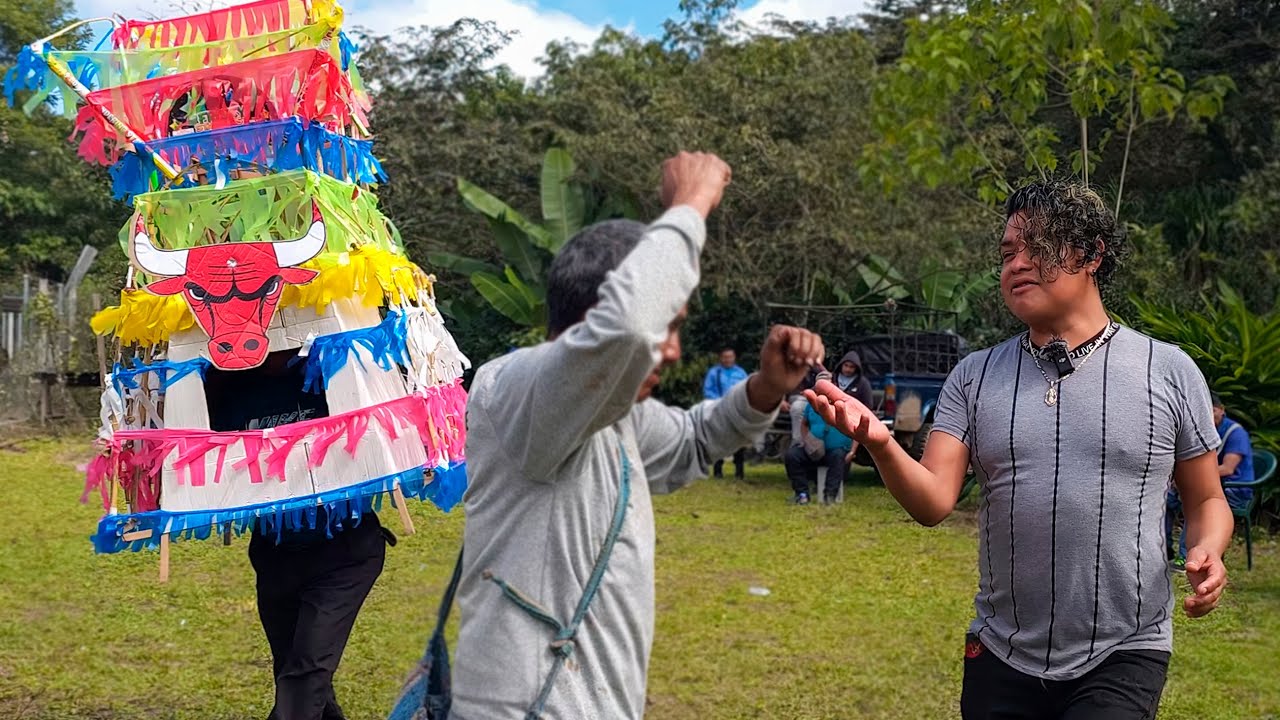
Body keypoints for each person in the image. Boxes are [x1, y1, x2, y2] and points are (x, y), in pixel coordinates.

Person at [806, 179, 1233, 720]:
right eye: (1008, 252)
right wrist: (880, 441)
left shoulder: (1167, 371)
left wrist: (1209, 550)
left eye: (1038, 247)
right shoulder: (974, 376)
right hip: (1001, 651)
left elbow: (1205, 501)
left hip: (1126, 648)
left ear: (1091, 254)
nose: (1016, 264)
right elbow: (934, 501)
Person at [451, 152, 823, 719]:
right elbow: (628, 329)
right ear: (591, 321)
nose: (670, 350)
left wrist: (766, 388)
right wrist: (690, 206)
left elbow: (694, 441)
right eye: (667, 326)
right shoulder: (515, 390)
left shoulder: (618, 416)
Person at [205, 351, 391, 720]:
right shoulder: (228, 389)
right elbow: (193, 449)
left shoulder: (332, 375)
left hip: (345, 550)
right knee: (292, 666)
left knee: (306, 671)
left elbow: (384, 415)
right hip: (275, 554)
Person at [1166, 392, 1254, 563]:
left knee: (1196, 503)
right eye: (1205, 411)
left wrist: (1189, 480)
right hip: (1213, 484)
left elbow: (1228, 469)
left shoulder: (1236, 433)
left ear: (1222, 410)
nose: (1209, 415)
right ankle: (1165, 551)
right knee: (1166, 499)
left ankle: (1186, 558)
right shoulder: (1199, 431)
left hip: (1235, 489)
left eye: (1213, 410)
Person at [785, 371, 854, 505]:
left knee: (837, 456)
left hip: (836, 451)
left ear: (833, 385)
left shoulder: (842, 403)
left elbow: (855, 429)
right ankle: (802, 494)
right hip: (815, 450)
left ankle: (829, 497)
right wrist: (806, 440)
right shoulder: (812, 403)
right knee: (792, 455)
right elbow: (804, 424)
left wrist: (852, 451)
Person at [704, 347, 750, 478]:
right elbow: (708, 391)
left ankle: (739, 471)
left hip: (738, 410)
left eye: (730, 357)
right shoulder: (714, 373)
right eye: (725, 357)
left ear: (734, 357)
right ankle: (718, 471)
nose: (728, 359)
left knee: (739, 440)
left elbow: (746, 389)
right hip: (720, 410)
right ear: (721, 358)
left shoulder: (740, 372)